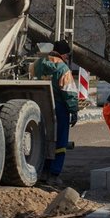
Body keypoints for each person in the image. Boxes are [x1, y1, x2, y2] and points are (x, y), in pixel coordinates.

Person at [33, 39, 78, 187]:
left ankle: (43, 171)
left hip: (40, 106)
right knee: (60, 141)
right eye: (66, 56)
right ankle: (54, 174)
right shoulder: (63, 69)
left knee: (44, 139)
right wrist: (73, 110)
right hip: (59, 108)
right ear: (63, 54)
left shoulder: (38, 64)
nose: (66, 58)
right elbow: (69, 92)